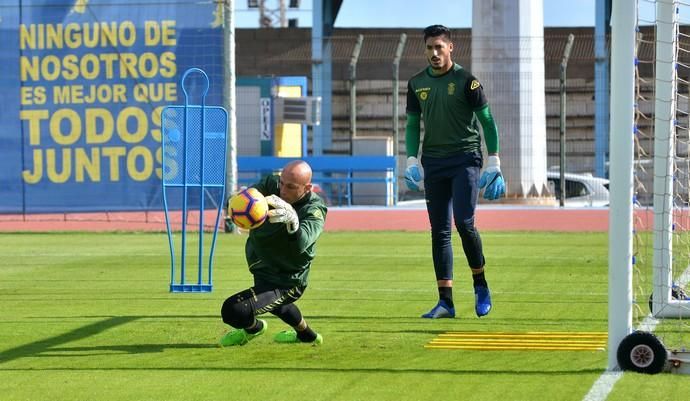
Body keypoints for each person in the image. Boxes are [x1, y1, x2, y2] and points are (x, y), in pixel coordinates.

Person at [405, 24, 505, 319]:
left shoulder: (467, 81)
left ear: (451, 48)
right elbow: (412, 124)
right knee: (439, 231)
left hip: (465, 159)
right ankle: (445, 302)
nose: (434, 53)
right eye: (429, 48)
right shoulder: (416, 83)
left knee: (464, 222)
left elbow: (487, 122)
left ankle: (480, 284)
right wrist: (411, 159)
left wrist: (494, 160)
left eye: (439, 47)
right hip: (433, 162)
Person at [220, 160, 328, 346]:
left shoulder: (314, 209)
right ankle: (307, 335)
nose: (283, 190)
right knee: (280, 307)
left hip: (287, 281)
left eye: (291, 187)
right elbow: (250, 198)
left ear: (307, 187)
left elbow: (302, 242)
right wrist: (240, 200)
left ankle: (254, 329)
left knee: (234, 310)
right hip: (262, 266)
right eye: (282, 183)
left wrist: (293, 223)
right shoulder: (272, 184)